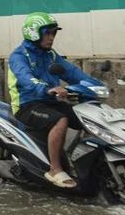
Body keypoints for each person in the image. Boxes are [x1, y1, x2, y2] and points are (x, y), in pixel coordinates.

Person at [9, 12, 99, 189]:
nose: (51, 38)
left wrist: (95, 85)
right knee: (61, 120)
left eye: (53, 33)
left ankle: (87, 164)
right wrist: (46, 88)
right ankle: (55, 169)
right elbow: (26, 78)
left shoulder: (51, 56)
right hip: (27, 105)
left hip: (50, 101)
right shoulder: (19, 56)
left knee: (88, 115)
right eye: (47, 33)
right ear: (34, 33)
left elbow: (73, 73)